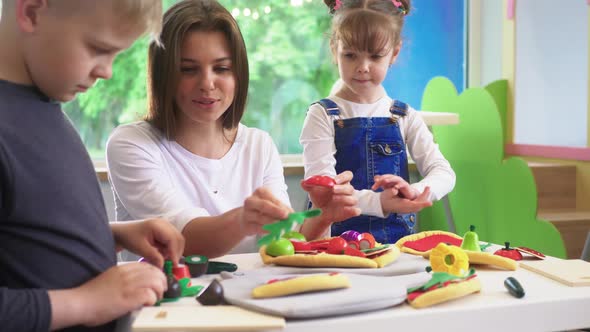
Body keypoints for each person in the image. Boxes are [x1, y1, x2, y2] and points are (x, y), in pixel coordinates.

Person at [106, 0, 360, 259]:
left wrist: (322, 216)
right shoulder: (131, 143)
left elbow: (281, 244)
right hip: (165, 297)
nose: (207, 83)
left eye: (222, 68)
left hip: (248, 297)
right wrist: (242, 220)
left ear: (239, 75)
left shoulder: (258, 145)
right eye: (188, 69)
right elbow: (182, 240)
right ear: (164, 74)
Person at [0, 1, 187, 331]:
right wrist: (87, 303)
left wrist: (111, 234)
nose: (107, 71)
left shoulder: (43, 104)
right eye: (98, 48)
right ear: (31, 12)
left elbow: (21, 226)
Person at [299, 0, 456, 244]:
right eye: (350, 55)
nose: (362, 67)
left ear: (394, 53)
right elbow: (324, 193)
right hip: (337, 248)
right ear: (334, 49)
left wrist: (413, 192)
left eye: (375, 56)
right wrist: (380, 202)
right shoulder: (323, 115)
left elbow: (444, 173)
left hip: (397, 248)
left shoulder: (404, 116)